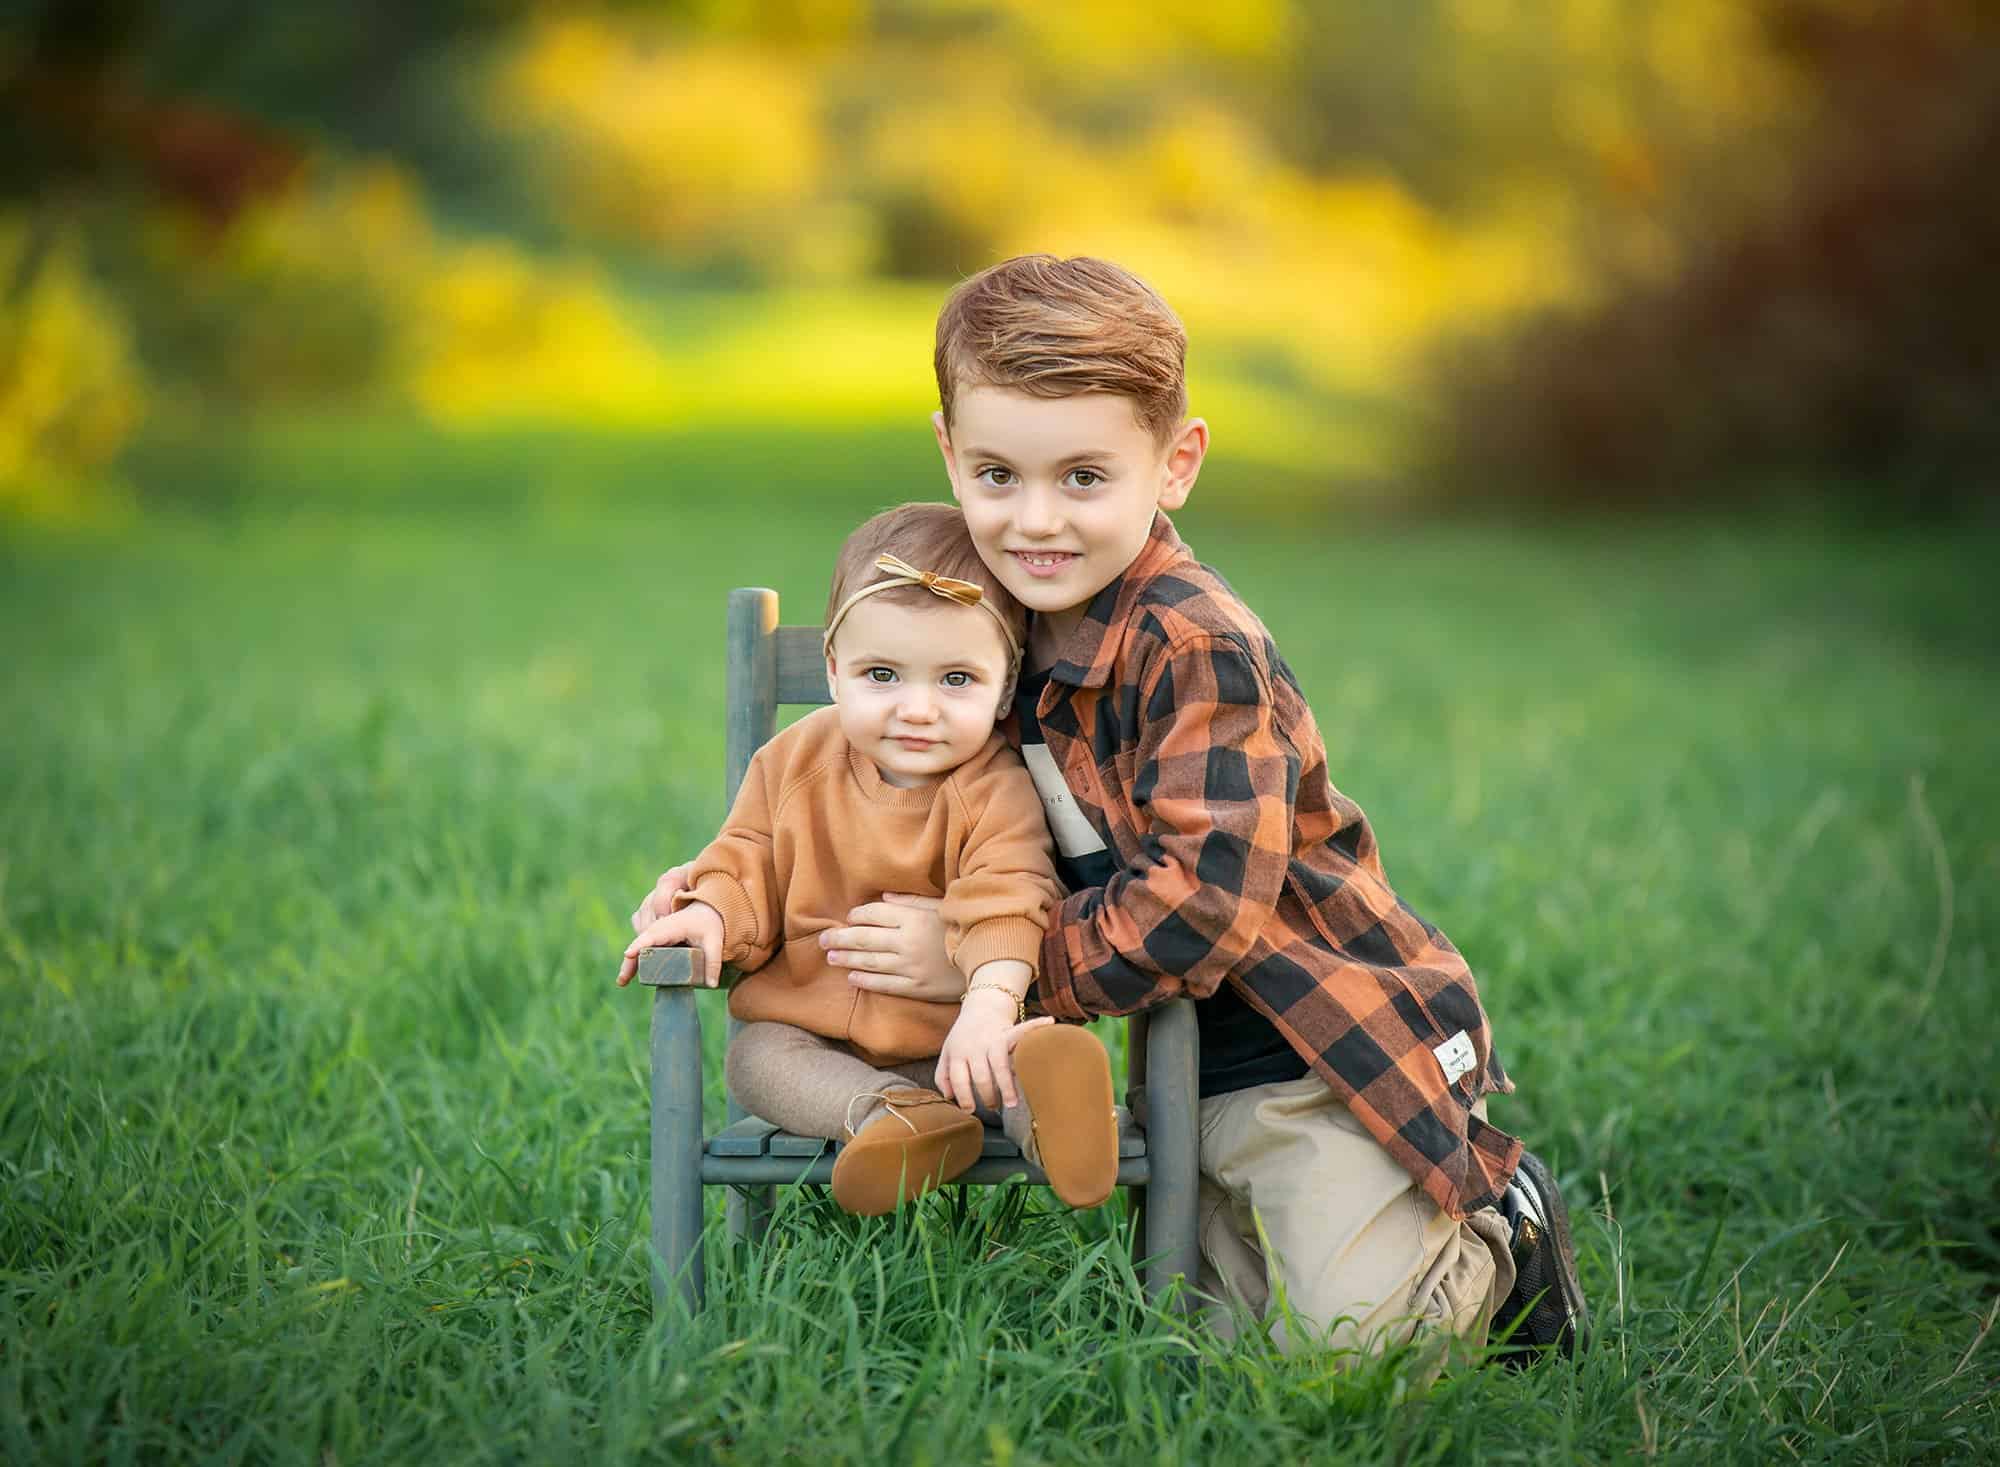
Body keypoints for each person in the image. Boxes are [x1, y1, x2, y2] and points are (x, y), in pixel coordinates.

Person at [634, 256, 1588, 1366]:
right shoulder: (984, 627)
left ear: (1174, 464)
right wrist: (714, 895)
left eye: (1084, 477)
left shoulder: (1193, 643)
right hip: (1173, 1064)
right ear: (948, 452)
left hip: (1316, 1052)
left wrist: (986, 966)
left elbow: (1200, 907)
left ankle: (1502, 1228)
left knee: (1351, 1359)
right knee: (1222, 1356)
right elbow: (860, 809)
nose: (1035, 520)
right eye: (996, 474)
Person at [618, 502, 1121, 1217]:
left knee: (1009, 1060)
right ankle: (892, 1117)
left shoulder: (996, 786)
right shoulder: (792, 763)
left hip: (957, 1039)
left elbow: (1011, 895)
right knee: (757, 1057)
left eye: (956, 680)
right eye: (882, 674)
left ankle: (1059, 1121)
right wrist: (709, 914)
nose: (917, 709)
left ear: (1005, 687)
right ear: (834, 669)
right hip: (820, 1040)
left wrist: (987, 1007)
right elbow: (745, 857)